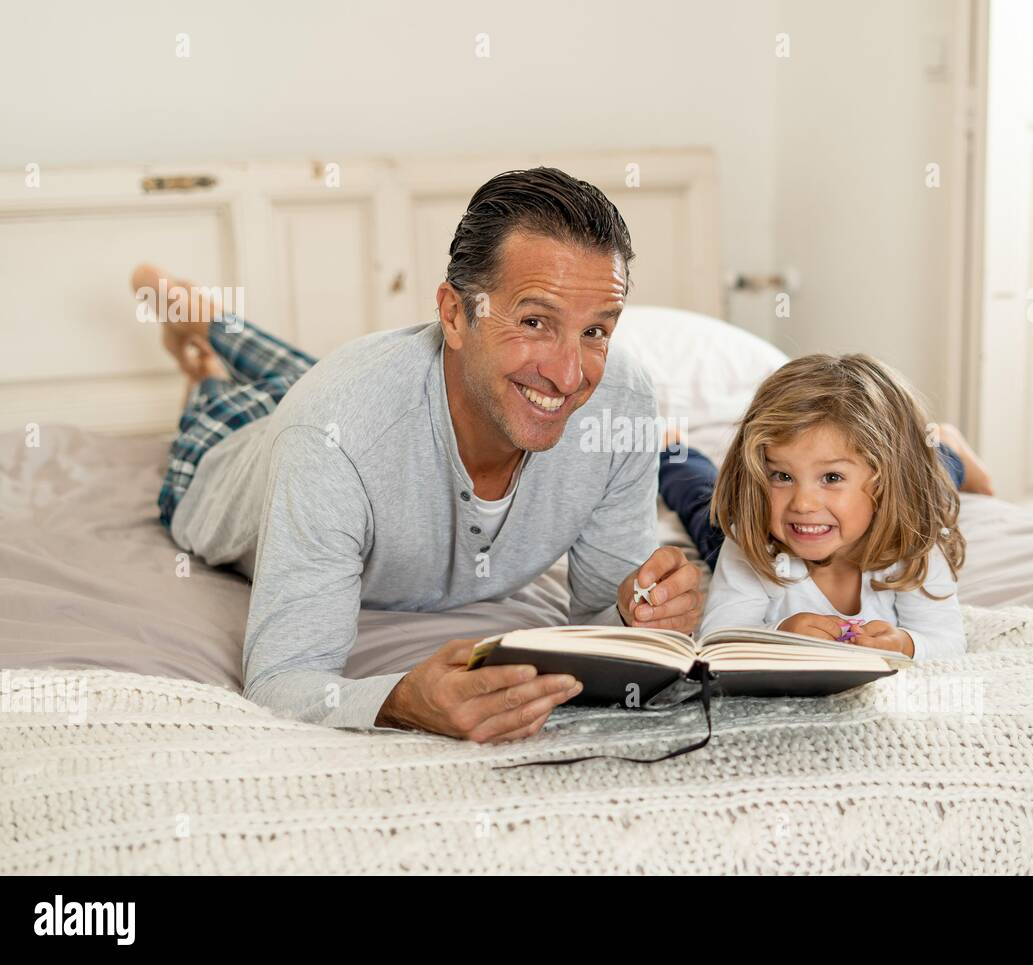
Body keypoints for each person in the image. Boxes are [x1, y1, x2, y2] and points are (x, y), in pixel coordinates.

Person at [138, 167, 703, 742]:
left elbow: (599, 617)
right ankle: (201, 350)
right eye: (535, 322)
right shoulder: (329, 432)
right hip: (230, 453)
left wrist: (640, 614)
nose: (568, 376)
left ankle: (205, 318)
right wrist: (402, 699)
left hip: (356, 397)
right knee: (228, 398)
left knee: (305, 375)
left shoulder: (620, 405)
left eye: (595, 332)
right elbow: (284, 679)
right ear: (455, 314)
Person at [662, 353, 994, 660]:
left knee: (929, 480)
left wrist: (907, 645)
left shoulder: (915, 540)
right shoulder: (751, 542)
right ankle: (672, 448)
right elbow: (720, 642)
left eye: (831, 477)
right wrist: (779, 637)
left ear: (882, 482)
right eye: (782, 475)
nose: (803, 503)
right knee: (704, 504)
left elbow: (947, 640)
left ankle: (945, 446)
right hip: (764, 535)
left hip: (905, 488)